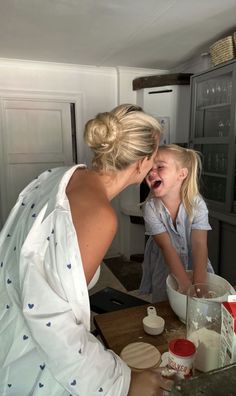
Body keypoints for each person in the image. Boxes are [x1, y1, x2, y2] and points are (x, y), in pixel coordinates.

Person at [0, 104, 171, 396]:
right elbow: (53, 323)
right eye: (154, 157)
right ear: (142, 164)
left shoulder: (60, 175)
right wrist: (123, 384)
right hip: (31, 360)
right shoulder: (101, 217)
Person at [139, 144, 214, 302]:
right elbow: (167, 248)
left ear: (182, 174)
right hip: (166, 266)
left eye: (160, 167)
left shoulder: (197, 205)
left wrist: (199, 285)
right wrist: (185, 285)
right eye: (149, 168)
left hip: (196, 265)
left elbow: (199, 244)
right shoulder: (151, 208)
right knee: (166, 305)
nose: (152, 172)